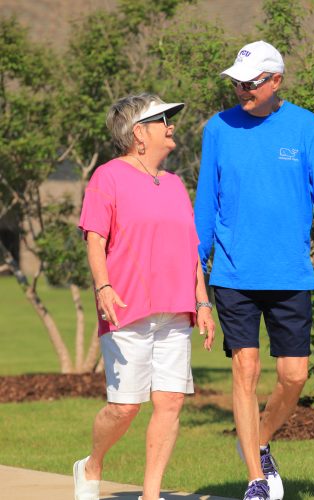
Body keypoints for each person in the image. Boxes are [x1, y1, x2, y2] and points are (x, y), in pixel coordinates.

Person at [194, 41, 314, 500]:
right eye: (236, 82)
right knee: (244, 372)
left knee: (294, 376)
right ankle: (255, 479)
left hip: (290, 275)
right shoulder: (218, 130)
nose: (240, 90)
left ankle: (261, 439)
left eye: (249, 83)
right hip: (233, 275)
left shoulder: (307, 129)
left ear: (275, 81)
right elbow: (205, 205)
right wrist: (195, 276)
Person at [75, 93, 215, 500]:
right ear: (139, 133)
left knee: (170, 403)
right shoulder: (107, 177)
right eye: (162, 120)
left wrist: (202, 303)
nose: (171, 125)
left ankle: (150, 495)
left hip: (175, 311)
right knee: (125, 407)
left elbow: (190, 249)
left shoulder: (174, 184)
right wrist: (103, 286)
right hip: (125, 308)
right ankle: (92, 464)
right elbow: (95, 240)